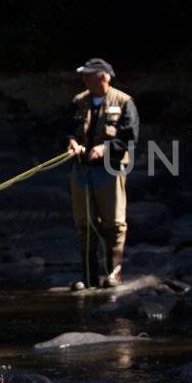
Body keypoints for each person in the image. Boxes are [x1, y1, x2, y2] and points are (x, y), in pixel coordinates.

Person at [66, 57, 139, 289]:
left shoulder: (125, 101)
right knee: (84, 223)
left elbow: (130, 136)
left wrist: (104, 148)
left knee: (114, 223)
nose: (84, 78)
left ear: (103, 77)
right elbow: (66, 129)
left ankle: (113, 274)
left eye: (88, 74)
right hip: (81, 171)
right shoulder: (78, 101)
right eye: (83, 75)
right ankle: (88, 278)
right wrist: (71, 143)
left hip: (110, 170)